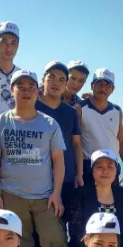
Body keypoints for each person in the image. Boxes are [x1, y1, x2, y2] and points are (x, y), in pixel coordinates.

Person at [0, 69, 69, 247]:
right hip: (12, 195)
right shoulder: (0, 123)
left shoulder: (50, 124)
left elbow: (58, 161)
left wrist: (57, 193)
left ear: (37, 91)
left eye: (31, 87)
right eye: (21, 87)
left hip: (45, 197)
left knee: (56, 245)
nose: (26, 91)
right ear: (12, 90)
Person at [36, 61, 84, 219]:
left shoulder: (71, 112)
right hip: (37, 179)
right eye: (52, 78)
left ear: (65, 84)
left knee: (62, 223)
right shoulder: (31, 107)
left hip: (66, 178)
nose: (56, 83)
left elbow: (76, 144)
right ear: (43, 79)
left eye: (62, 79)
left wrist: (79, 174)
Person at [76, 68, 123, 187]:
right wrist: (78, 172)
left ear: (112, 89)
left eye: (107, 85)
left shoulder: (117, 111)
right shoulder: (80, 108)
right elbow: (76, 142)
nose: (103, 88)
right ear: (92, 85)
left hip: (112, 167)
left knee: (112, 199)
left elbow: (121, 141)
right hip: (88, 168)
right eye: (99, 84)